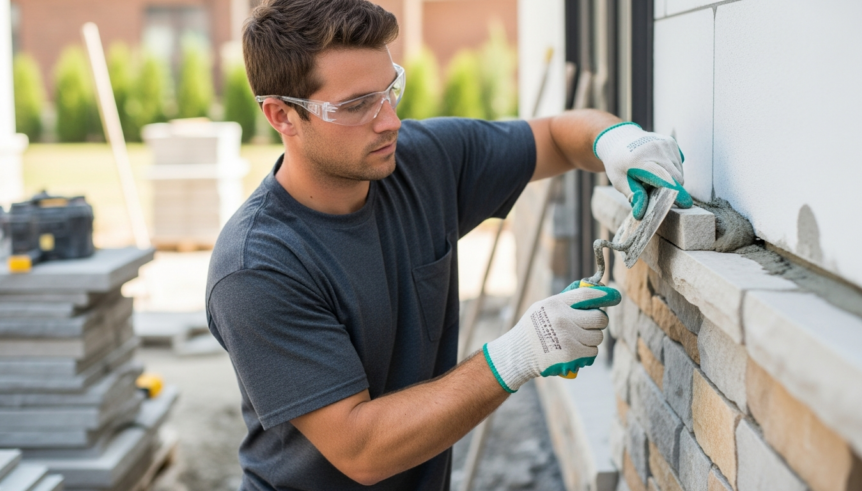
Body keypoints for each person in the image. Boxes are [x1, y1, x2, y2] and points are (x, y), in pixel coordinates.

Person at [206, 1, 691, 489]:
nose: (389, 121)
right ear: (281, 116)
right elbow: (362, 449)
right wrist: (519, 352)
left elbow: (557, 136)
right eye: (356, 105)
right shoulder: (257, 268)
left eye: (389, 90)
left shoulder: (421, 162)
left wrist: (618, 141)